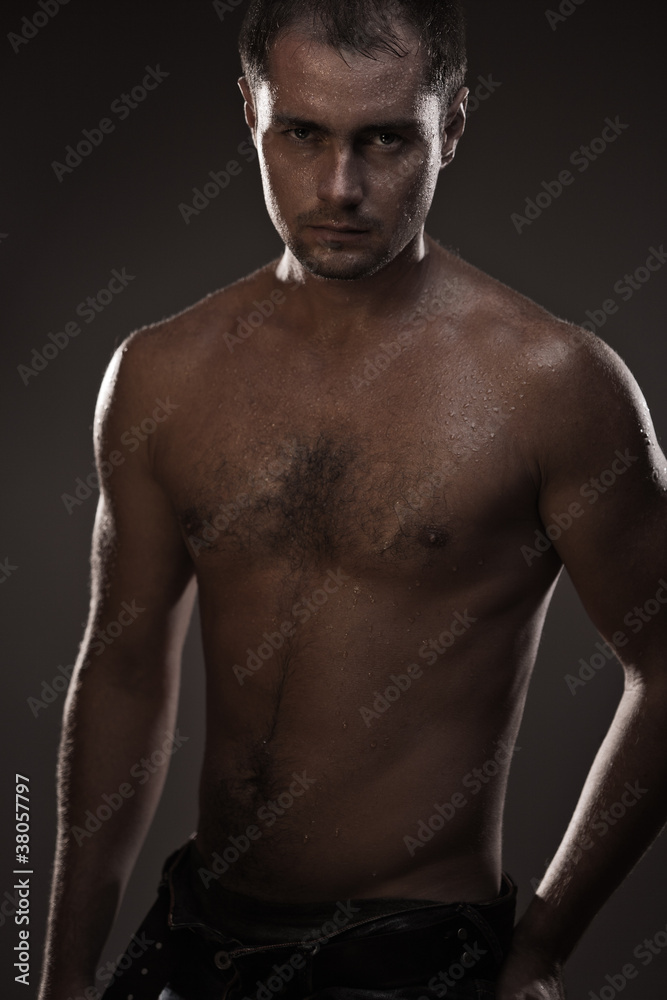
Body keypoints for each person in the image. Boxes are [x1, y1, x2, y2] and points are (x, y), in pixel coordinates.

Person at [38, 1, 667, 998]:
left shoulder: (553, 385)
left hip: (415, 956)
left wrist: (545, 943)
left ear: (450, 127)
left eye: (386, 139)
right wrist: (61, 971)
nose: (341, 187)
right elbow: (121, 668)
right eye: (302, 133)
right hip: (200, 936)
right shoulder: (160, 375)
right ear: (247, 111)